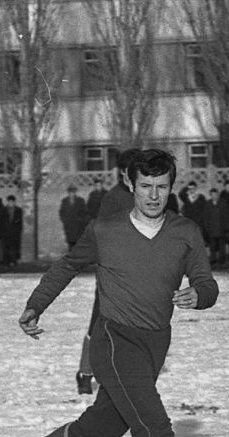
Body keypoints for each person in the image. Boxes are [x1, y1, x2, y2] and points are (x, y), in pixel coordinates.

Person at [6, 148, 220, 437]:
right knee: (154, 428)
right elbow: (66, 266)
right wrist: (35, 306)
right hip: (113, 341)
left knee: (98, 433)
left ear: (170, 187)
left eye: (162, 188)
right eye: (146, 187)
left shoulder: (185, 232)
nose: (154, 196)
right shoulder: (106, 231)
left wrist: (200, 296)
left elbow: (206, 280)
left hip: (154, 345)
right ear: (131, 185)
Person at [77, 149, 138, 395]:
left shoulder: (143, 196)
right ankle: (85, 372)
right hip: (113, 272)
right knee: (99, 323)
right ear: (124, 172)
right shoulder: (114, 198)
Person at [59, 185, 89, 250]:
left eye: (73, 192)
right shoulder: (64, 201)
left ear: (75, 193)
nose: (72, 194)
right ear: (68, 193)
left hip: (77, 225)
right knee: (70, 241)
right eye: (70, 192)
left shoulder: (80, 200)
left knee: (77, 240)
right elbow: (61, 212)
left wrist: (81, 220)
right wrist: (64, 220)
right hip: (69, 225)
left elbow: (85, 212)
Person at [204, 188, 227, 265]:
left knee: (221, 246)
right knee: (212, 246)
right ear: (210, 195)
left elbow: (226, 216)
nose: (214, 196)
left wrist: (225, 227)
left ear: (218, 195)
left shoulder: (223, 203)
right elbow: (206, 217)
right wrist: (207, 228)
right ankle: (213, 259)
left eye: (215, 194)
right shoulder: (208, 204)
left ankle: (222, 260)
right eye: (212, 195)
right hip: (212, 229)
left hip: (221, 228)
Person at [2, 194, 24, 268]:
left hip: (14, 232)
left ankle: (14, 261)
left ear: (14, 202)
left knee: (14, 247)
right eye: (9, 201)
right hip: (5, 232)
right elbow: (1, 221)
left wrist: (18, 230)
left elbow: (20, 221)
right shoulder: (3, 210)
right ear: (7, 202)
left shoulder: (18, 210)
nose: (11, 203)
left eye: (12, 202)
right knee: (5, 248)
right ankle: (6, 262)